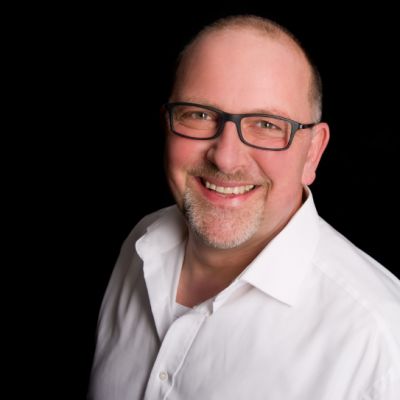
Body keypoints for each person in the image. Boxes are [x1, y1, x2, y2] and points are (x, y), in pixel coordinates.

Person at [88, 15, 400, 399]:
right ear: (167, 123)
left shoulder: (381, 348)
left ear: (312, 152)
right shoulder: (140, 246)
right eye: (200, 115)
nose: (226, 158)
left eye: (266, 124)